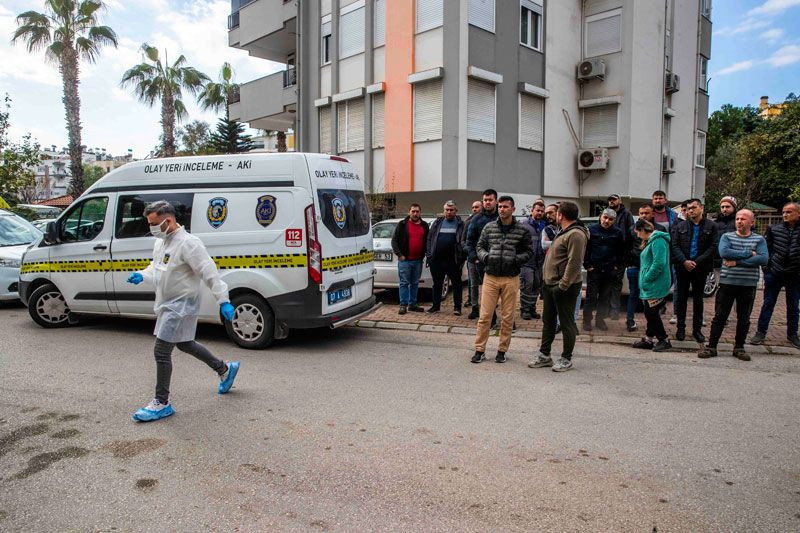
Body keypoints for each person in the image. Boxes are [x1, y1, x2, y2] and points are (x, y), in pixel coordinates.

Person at [126, 200, 240, 422]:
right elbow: (156, 268)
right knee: (185, 343)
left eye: (154, 224)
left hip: (181, 305)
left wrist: (223, 300)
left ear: (168, 220)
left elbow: (209, 272)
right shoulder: (161, 242)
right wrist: (143, 275)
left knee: (161, 351)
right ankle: (225, 369)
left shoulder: (189, 243)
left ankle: (162, 402)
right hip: (167, 304)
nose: (151, 228)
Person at [699, 210, 768, 361]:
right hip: (727, 283)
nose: (739, 221)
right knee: (720, 316)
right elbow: (724, 253)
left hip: (748, 284)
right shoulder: (727, 237)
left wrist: (737, 262)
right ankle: (711, 346)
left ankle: (739, 347)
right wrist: (749, 253)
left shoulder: (759, 239)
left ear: (752, 222)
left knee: (744, 318)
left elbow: (763, 259)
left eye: (743, 219)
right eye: (737, 219)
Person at [471, 196, 532, 364]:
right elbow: (479, 246)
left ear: (513, 209)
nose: (502, 209)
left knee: (507, 317)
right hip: (490, 277)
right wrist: (486, 257)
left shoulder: (522, 230)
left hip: (510, 278)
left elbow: (529, 251)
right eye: (500, 207)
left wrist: (515, 259)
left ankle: (502, 350)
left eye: (505, 207)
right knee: (485, 316)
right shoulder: (489, 227)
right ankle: (479, 350)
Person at [529, 201, 589, 372]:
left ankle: (566, 358)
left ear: (561, 215)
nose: (553, 216)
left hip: (565, 287)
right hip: (550, 284)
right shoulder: (563, 231)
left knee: (566, 322)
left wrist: (563, 285)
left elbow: (574, 263)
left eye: (556, 213)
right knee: (548, 321)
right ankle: (544, 355)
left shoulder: (576, 234)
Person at [750, 202, 800, 349]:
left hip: (795, 274)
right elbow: (766, 250)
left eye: (789, 212)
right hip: (774, 273)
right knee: (768, 303)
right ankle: (761, 332)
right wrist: (767, 270)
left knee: (793, 305)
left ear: (798, 214)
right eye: (784, 212)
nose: (785, 215)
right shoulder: (774, 229)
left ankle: (792, 334)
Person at [670, 198, 719, 343]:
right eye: (688, 208)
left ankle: (697, 330)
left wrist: (697, 261)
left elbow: (713, 246)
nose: (691, 210)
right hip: (682, 267)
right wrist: (684, 261)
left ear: (701, 208)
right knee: (681, 299)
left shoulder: (712, 226)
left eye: (694, 207)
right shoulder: (680, 226)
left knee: (698, 299)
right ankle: (680, 328)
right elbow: (674, 245)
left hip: (701, 268)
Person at [631, 219, 673, 352]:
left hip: (656, 282)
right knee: (650, 312)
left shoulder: (658, 240)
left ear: (643, 230)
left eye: (638, 232)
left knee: (651, 313)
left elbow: (659, 263)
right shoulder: (651, 241)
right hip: (651, 283)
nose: (638, 235)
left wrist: (647, 278)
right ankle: (649, 339)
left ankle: (663, 339)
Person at [625, 204, 666, 332]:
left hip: (651, 269)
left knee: (651, 297)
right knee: (633, 294)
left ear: (652, 214)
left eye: (646, 213)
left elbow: (662, 255)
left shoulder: (659, 230)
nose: (643, 215)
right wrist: (629, 261)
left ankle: (652, 325)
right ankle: (630, 320)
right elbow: (626, 246)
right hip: (635, 266)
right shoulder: (632, 228)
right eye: (641, 213)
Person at [583, 208, 625, 331]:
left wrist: (616, 266)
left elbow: (621, 251)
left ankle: (600, 320)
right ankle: (587, 320)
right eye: (605, 218)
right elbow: (585, 249)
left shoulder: (617, 232)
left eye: (610, 219)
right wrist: (588, 265)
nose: (607, 221)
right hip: (594, 270)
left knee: (604, 297)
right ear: (601, 217)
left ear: (614, 220)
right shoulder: (591, 230)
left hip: (609, 270)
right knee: (591, 297)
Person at [426, 201, 465, 315]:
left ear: (456, 211)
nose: (448, 212)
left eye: (451, 210)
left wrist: (461, 258)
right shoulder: (437, 222)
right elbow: (429, 238)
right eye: (446, 210)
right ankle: (435, 306)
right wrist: (429, 255)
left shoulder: (460, 224)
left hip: (453, 260)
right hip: (437, 260)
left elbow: (464, 241)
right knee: (437, 284)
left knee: (457, 284)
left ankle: (457, 308)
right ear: (444, 211)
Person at [465, 189, 499, 320]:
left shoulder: (501, 217)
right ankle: (488, 316)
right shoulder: (476, 219)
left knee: (499, 290)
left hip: (499, 260)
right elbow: (469, 241)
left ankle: (502, 317)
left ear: (496, 201)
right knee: (484, 288)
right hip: (481, 261)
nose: (488, 202)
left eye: (490, 200)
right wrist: (475, 258)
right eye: (485, 200)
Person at [391, 203, 430, 315]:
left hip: (418, 260)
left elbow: (427, 241)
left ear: (420, 213)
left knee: (415, 283)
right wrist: (400, 255)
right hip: (405, 261)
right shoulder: (402, 224)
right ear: (409, 212)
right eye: (413, 211)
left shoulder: (424, 225)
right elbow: (394, 241)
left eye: (417, 211)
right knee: (404, 283)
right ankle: (403, 305)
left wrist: (426, 255)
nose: (415, 213)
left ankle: (412, 304)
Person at [607, 194, 635, 320]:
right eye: (610, 200)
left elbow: (632, 232)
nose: (611, 201)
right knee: (607, 282)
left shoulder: (627, 214)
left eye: (614, 199)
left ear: (619, 201)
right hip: (607, 253)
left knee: (617, 282)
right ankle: (605, 309)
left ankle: (614, 311)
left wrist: (628, 252)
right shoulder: (606, 213)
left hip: (621, 254)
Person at [519, 200, 546, 320]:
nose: (539, 213)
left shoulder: (544, 226)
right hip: (527, 262)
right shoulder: (524, 224)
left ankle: (532, 308)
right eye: (537, 210)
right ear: (532, 210)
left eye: (541, 211)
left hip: (539, 263)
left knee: (536, 286)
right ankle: (524, 310)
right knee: (527, 286)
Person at [461, 200, 483, 308]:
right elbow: (463, 240)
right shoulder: (468, 222)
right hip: (472, 257)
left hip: (486, 257)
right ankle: (473, 303)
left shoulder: (489, 221)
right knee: (473, 282)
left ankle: (488, 303)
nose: (474, 209)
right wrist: (469, 251)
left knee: (487, 283)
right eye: (473, 207)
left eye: (477, 207)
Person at [712, 196, 738, 288]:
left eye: (727, 206)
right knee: (721, 287)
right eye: (722, 207)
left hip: (735, 261)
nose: (724, 209)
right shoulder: (715, 223)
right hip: (718, 261)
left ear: (734, 207)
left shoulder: (739, 221)